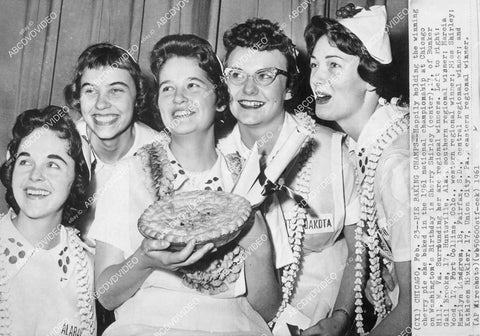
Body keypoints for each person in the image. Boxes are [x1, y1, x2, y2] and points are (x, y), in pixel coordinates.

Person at [89, 34, 279, 336]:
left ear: (219, 99)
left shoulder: (251, 180)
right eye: (167, 89)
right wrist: (145, 260)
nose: (179, 98)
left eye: (193, 85)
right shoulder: (127, 175)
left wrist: (259, 242)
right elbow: (107, 295)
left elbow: (266, 309)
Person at [219, 18, 361, 336]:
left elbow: (358, 250)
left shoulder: (335, 151)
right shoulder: (213, 155)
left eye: (265, 75)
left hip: (322, 308)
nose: (248, 89)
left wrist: (339, 318)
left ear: (289, 88)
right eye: (236, 75)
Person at [304, 3, 411, 335]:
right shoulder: (359, 145)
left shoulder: (396, 166)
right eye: (315, 64)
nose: (317, 78)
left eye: (334, 65)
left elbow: (417, 309)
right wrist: (339, 320)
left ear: (371, 77)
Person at [0, 106, 95, 335]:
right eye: (24, 161)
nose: (35, 175)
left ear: (77, 179)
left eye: (52, 164)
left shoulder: (86, 268)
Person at [64, 42, 166, 238]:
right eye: (90, 91)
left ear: (137, 96)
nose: (101, 104)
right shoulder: (65, 145)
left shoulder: (161, 153)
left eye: (116, 90)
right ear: (78, 97)